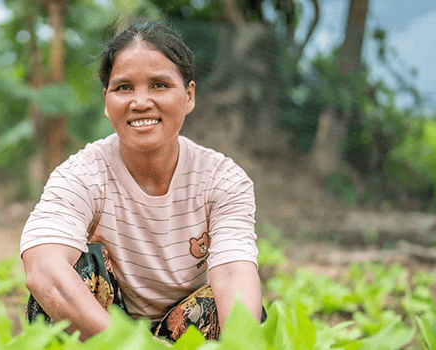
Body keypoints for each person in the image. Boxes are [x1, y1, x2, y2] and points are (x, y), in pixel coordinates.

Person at [20, 20, 265, 342]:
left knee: (241, 312)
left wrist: (240, 343)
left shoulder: (223, 180)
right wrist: (133, 346)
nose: (140, 102)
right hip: (102, 335)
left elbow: (234, 272)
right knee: (67, 279)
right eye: (124, 88)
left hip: (185, 332)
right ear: (107, 101)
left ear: (189, 96)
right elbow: (44, 270)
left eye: (159, 85)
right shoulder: (81, 174)